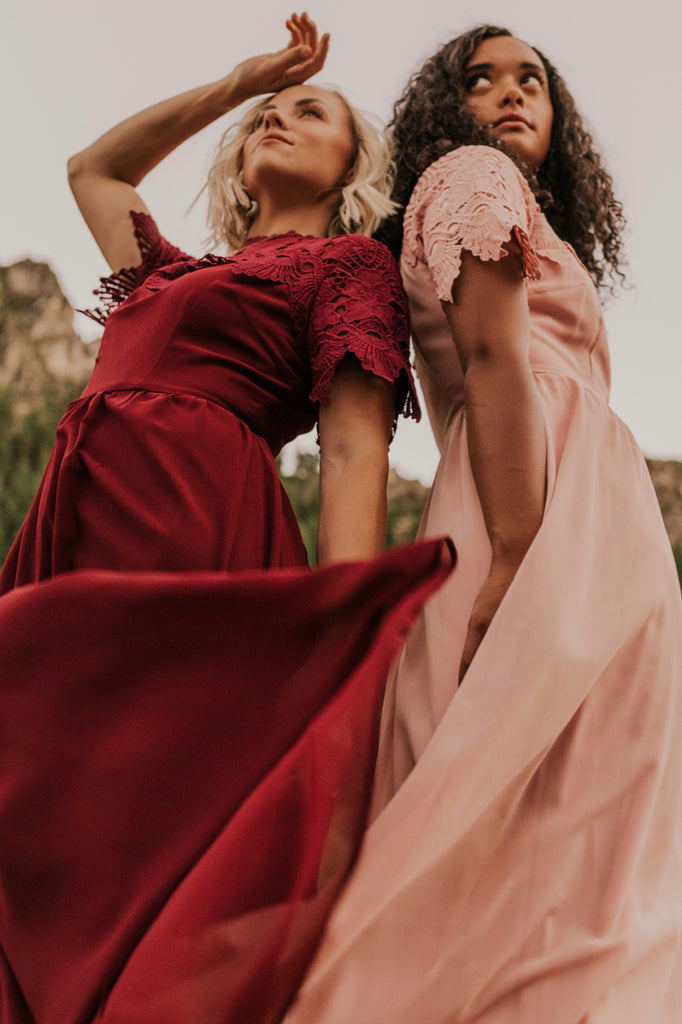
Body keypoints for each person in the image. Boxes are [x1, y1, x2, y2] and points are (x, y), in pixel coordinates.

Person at [0, 14, 454, 1024]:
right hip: (77, 513)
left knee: (146, 793)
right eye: (269, 113)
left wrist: (350, 639)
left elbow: (350, 449)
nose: (278, 117)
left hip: (190, 507)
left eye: (311, 110)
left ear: (353, 166)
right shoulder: (164, 269)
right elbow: (95, 170)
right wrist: (240, 79)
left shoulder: (347, 268)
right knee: (39, 784)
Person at [283, 26, 682, 1024]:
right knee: (523, 816)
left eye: (530, 79)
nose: (508, 93)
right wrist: (514, 552)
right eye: (479, 79)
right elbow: (498, 357)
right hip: (541, 518)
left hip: (581, 517)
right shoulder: (469, 175)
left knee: (548, 826)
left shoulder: (504, 203)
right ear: (441, 111)